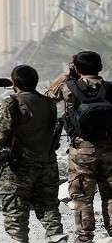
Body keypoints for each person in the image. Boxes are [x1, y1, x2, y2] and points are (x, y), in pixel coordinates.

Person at [0, 65, 67, 243]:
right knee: (48, 203)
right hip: (47, 163)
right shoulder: (49, 103)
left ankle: (19, 239)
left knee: (14, 204)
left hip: (19, 164)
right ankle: (56, 235)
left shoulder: (12, 103)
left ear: (14, 82)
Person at [47, 51, 112, 242]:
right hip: (109, 149)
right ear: (100, 67)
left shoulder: (68, 88)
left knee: (82, 196)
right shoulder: (110, 89)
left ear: (75, 67)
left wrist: (66, 75)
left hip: (82, 150)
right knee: (110, 194)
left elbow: (48, 96)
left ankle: (84, 237)